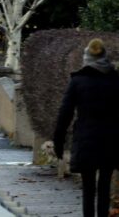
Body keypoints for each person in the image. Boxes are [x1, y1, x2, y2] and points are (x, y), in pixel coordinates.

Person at [53, 38, 119, 217]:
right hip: (111, 140)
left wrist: (58, 142)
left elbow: (64, 113)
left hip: (86, 139)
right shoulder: (115, 80)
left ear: (86, 58)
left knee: (88, 188)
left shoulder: (78, 81)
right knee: (104, 186)